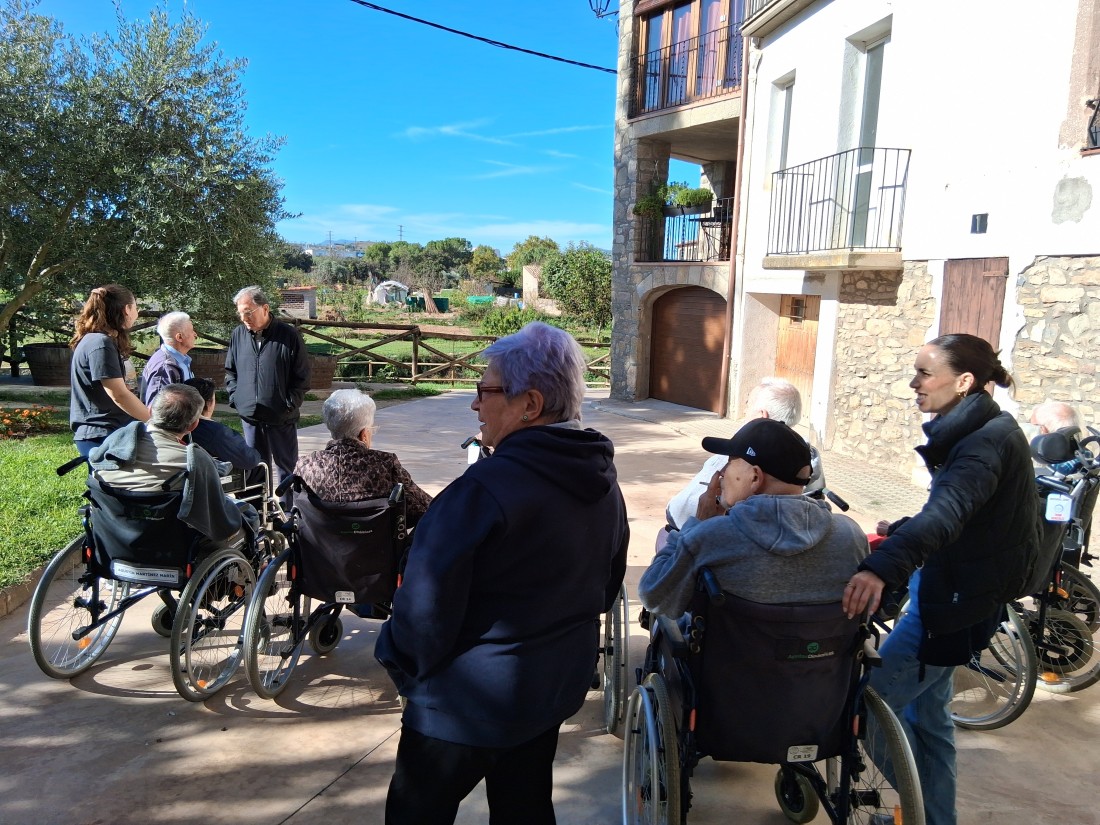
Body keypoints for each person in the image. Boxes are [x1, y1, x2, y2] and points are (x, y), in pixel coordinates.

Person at [375, 322, 629, 825]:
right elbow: (606, 587)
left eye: (484, 390)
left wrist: (401, 665)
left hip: (464, 704)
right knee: (524, 807)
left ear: (529, 404)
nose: (475, 405)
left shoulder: (481, 490)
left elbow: (423, 610)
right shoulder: (601, 481)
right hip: (547, 690)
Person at [842, 333, 1040, 825]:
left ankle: (921, 810)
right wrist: (904, 530)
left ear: (965, 381)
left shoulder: (983, 443)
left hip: (950, 606)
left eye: (925, 373)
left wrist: (882, 566)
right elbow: (965, 515)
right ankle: (935, 818)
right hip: (956, 594)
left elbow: (949, 513)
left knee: (865, 713)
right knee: (929, 722)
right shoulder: (982, 429)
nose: (914, 383)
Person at [640, 418, 867, 617]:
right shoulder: (851, 536)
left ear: (755, 477)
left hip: (726, 654)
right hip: (824, 654)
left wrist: (695, 526)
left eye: (730, 463)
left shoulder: (710, 537)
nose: (722, 473)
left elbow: (653, 596)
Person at [88, 383, 258, 541]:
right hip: (168, 542)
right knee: (248, 513)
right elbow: (219, 521)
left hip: (112, 537)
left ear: (150, 411)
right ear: (193, 425)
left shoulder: (111, 449)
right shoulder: (193, 461)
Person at [665, 377, 824, 530]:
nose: (745, 411)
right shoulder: (807, 456)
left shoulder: (743, 455)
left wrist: (698, 527)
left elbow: (683, 510)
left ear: (761, 415)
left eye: (748, 405)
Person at [294, 388, 432, 526]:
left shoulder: (305, 465)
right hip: (379, 540)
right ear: (364, 434)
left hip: (319, 540)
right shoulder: (385, 463)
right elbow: (426, 508)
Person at [225, 286, 311, 485]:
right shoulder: (238, 335)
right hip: (250, 416)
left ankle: (286, 505)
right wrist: (236, 398)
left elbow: (302, 375)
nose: (244, 318)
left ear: (265, 308)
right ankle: (259, 504)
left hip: (281, 416)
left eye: (248, 312)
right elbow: (230, 371)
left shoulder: (289, 335)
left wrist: (289, 403)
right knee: (255, 468)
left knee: (286, 468)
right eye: (240, 313)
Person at [69, 284, 151, 457]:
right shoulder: (101, 343)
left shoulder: (96, 340)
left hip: (108, 433)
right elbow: (119, 395)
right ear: (127, 309)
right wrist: (155, 422)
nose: (137, 313)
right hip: (102, 435)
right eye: (135, 307)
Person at [183, 377, 263, 475]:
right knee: (260, 466)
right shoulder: (214, 431)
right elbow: (250, 459)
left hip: (183, 473)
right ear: (209, 403)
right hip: (212, 477)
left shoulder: (173, 424)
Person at [141, 311, 197, 405]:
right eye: (191, 331)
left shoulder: (180, 360)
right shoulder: (164, 368)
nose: (195, 334)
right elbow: (156, 409)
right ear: (179, 337)